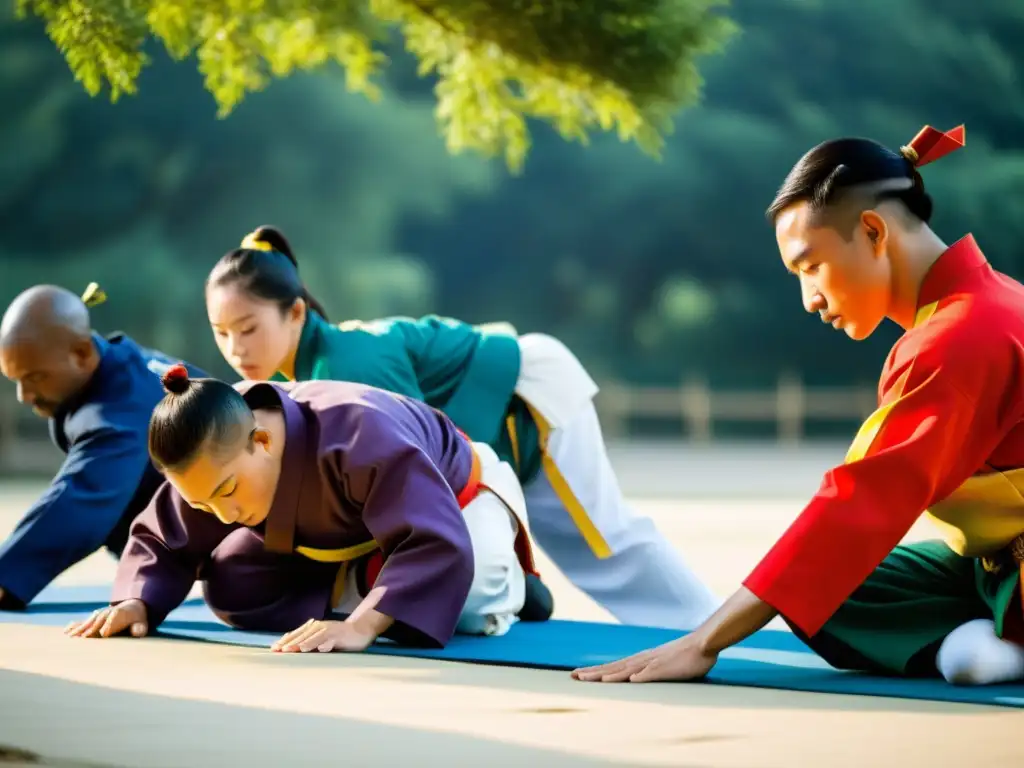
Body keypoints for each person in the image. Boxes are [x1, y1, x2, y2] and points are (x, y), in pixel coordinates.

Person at [572, 123, 1024, 688]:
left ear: (873, 231)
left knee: (813, 572)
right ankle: (984, 641)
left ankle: (991, 652)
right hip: (997, 568)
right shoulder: (980, 307)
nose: (810, 298)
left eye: (811, 266)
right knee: (810, 588)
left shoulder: (961, 336)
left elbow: (860, 503)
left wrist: (704, 641)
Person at [198, 226, 720, 631]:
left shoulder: (348, 364)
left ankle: (709, 631)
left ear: (294, 313)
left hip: (527, 398)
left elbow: (414, 467)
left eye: (248, 328)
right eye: (221, 334)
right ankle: (526, 587)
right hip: (489, 427)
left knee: (604, 546)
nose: (236, 349)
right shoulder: (306, 378)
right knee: (591, 548)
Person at [67, 366, 543, 651]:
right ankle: (374, 582)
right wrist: (136, 600)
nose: (225, 513)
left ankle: (516, 587)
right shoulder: (214, 451)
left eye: (228, 491)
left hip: (455, 500)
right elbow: (165, 533)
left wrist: (361, 626)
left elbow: (431, 535)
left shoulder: (359, 431)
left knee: (475, 594)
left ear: (263, 440)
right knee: (231, 581)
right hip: (340, 539)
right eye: (204, 503)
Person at [0, 283, 206, 610]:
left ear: (81, 354)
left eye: (35, 377)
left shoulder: (121, 409)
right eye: (16, 381)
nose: (23, 396)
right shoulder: (119, 364)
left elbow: (81, 498)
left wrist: (5, 575)